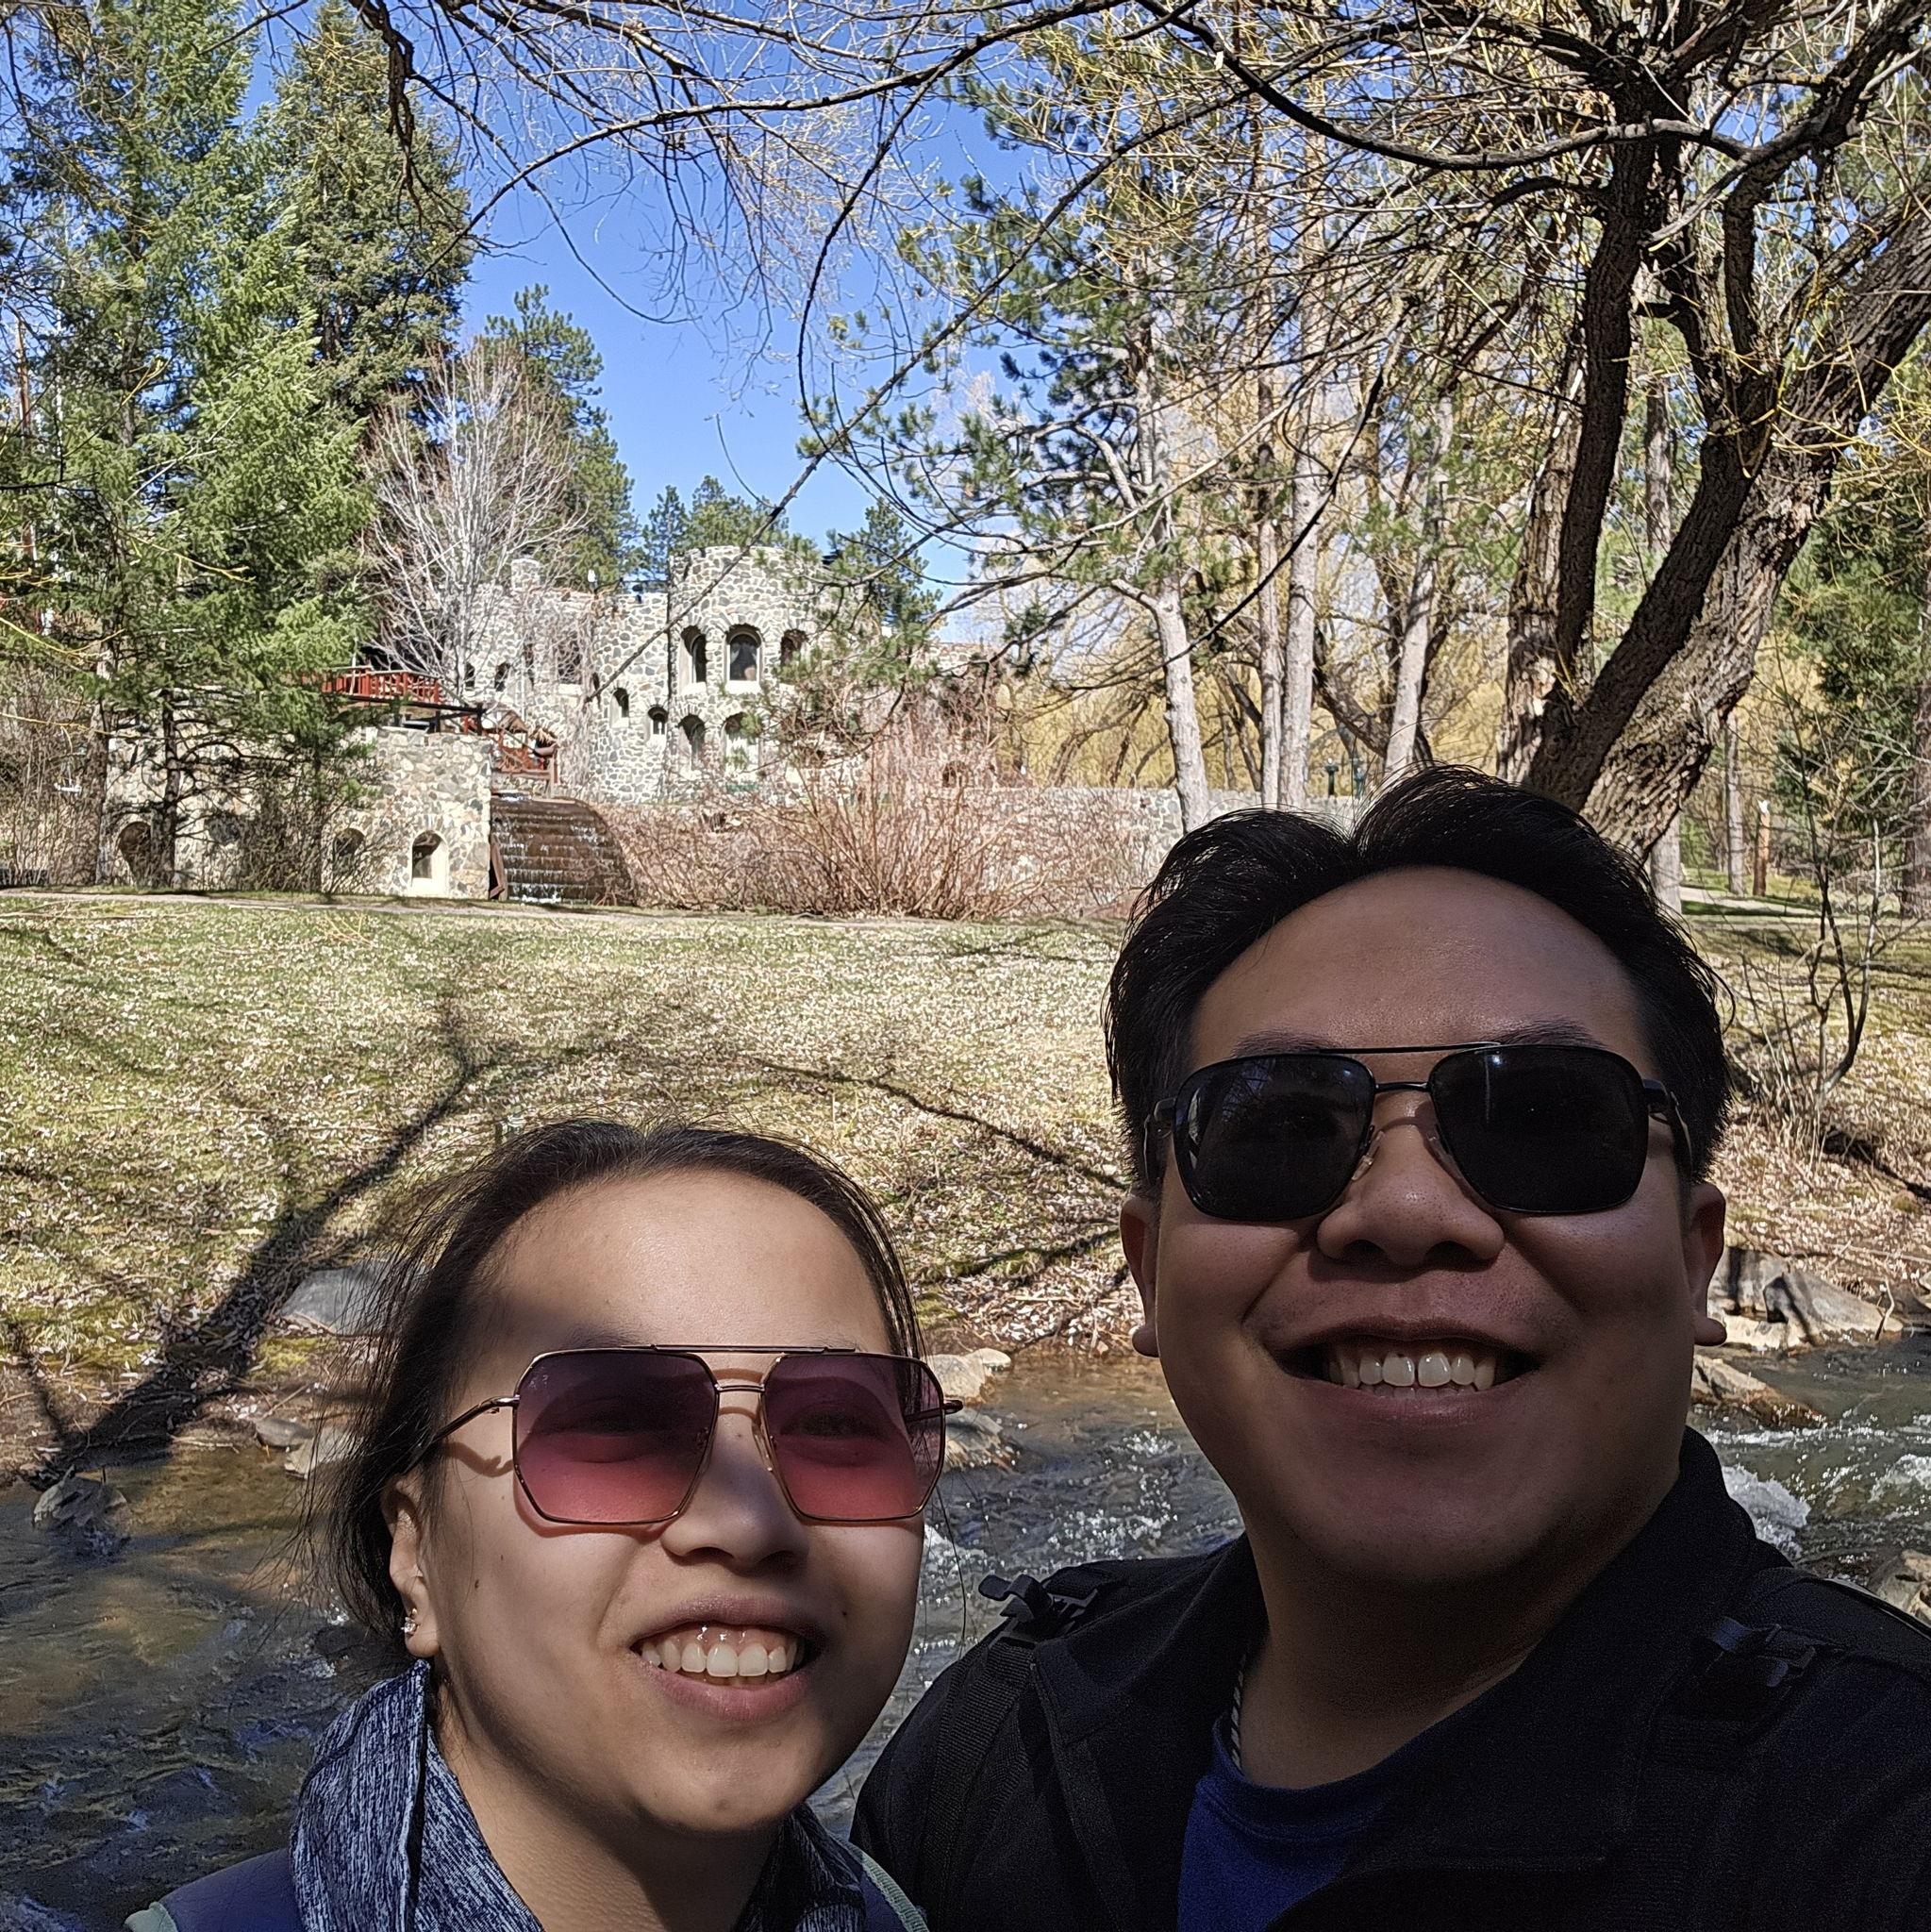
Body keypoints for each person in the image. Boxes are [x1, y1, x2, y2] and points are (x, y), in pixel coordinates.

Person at [854, 768, 1931, 1931]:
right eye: (1275, 1124)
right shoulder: (992, 1740)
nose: (1407, 1209)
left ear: (1690, 1258)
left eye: (1544, 1118)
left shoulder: (1878, 1809)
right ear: (1151, 1269)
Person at [132, 1120, 940, 1932]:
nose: (746, 1517)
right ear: (415, 1550)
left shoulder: (895, 1914)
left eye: (836, 1426)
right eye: (612, 1426)